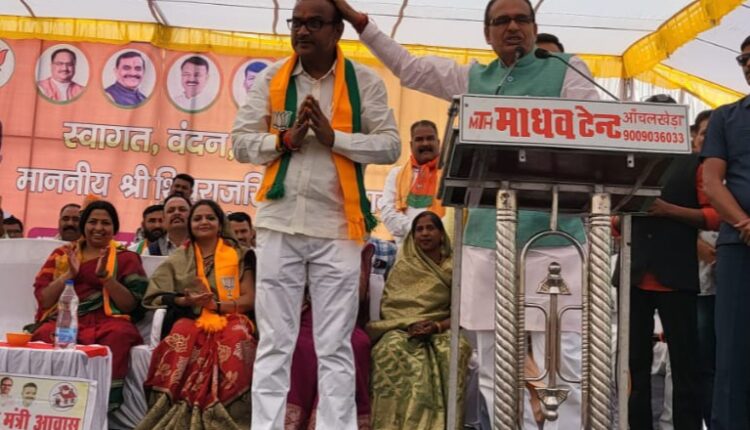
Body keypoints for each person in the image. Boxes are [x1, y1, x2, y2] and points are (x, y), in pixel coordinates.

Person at [331, 1, 599, 427]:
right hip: (486, 244)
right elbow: (411, 69)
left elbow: (592, 141)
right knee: (494, 363)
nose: (513, 27)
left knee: (561, 363)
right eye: (501, 21)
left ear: (535, 27)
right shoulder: (473, 79)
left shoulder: (568, 71)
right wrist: (362, 24)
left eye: (522, 19)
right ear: (487, 34)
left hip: (553, 240)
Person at [231, 0, 400, 427]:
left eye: (313, 23)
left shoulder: (365, 81)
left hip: (338, 228)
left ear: (337, 31)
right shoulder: (272, 78)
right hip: (279, 223)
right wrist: (282, 141)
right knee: (275, 343)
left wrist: (334, 138)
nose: (302, 31)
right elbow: (240, 143)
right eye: (297, 23)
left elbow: (390, 145)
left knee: (335, 345)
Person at [620, 94, 718, 430]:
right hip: (633, 274)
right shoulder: (627, 162)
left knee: (685, 365)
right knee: (633, 364)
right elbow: (613, 219)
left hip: (676, 276)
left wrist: (668, 211)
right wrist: (617, 218)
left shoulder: (695, 165)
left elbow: (714, 216)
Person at [138, 199, 257, 429]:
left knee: (236, 337)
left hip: (232, 316)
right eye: (198, 218)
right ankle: (174, 413)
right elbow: (156, 295)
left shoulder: (240, 254)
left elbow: (249, 299)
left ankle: (230, 417)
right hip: (193, 317)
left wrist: (216, 305)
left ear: (220, 224)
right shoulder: (179, 258)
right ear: (190, 225)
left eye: (210, 218)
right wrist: (184, 300)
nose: (204, 222)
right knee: (181, 335)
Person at [30, 200, 147, 409]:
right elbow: (45, 299)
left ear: (115, 229)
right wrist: (69, 274)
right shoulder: (63, 255)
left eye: (106, 223)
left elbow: (130, 306)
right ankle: (46, 403)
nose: (99, 228)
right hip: (68, 318)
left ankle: (101, 404)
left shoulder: (126, 258)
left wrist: (106, 278)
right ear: (83, 226)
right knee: (44, 334)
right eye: (93, 222)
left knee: (119, 335)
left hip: (108, 320)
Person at [367, 211, 471, 429]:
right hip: (403, 329)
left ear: (441, 234)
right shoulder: (404, 266)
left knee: (454, 350)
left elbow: (464, 311)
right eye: (419, 229)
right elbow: (391, 307)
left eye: (430, 228)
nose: (424, 233)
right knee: (388, 348)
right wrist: (408, 324)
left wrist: (436, 326)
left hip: (442, 329)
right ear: (413, 236)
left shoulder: (455, 267)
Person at [701, 34, 750, 430]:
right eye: (743, 59)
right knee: (732, 351)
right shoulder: (725, 117)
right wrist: (744, 223)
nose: (748, 64)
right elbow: (712, 182)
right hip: (739, 243)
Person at [286, 244, 373, 429]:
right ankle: (296, 421)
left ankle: (336, 419)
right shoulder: (301, 247)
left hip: (341, 316)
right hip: (306, 316)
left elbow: (358, 295)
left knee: (357, 344)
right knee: (301, 346)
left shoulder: (353, 249)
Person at [381, 119, 444, 246]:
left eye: (430, 138)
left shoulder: (450, 174)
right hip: (406, 248)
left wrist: (436, 233)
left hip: (442, 247)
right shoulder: (396, 174)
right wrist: (418, 231)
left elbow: (456, 214)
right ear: (411, 145)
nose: (425, 143)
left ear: (438, 142)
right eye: (419, 139)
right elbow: (388, 213)